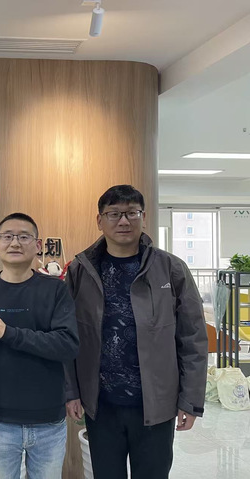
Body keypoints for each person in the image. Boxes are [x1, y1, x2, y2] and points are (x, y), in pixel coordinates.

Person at [65, 184, 208, 479]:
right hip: (101, 404)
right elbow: (68, 336)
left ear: (144, 217)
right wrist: (71, 391)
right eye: (114, 214)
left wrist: (191, 399)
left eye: (132, 213)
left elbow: (193, 338)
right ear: (99, 220)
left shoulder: (171, 268)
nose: (123, 221)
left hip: (156, 404)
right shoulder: (81, 270)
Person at [0, 212, 79, 479]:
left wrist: (9, 333)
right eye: (7, 236)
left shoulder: (56, 290)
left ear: (38, 245)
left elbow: (67, 345)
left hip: (48, 421)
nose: (15, 242)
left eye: (24, 237)